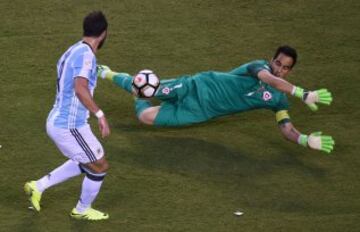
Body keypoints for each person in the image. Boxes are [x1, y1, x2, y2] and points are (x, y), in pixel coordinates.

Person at [98, 46, 335, 153]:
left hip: (200, 112)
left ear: (290, 72)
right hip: (195, 87)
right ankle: (106, 72)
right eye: (278, 63)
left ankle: (136, 94)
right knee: (148, 88)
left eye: (285, 68)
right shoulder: (258, 67)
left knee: (144, 117)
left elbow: (286, 128)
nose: (280, 69)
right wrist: (303, 93)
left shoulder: (278, 101)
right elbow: (270, 80)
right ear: (271, 60)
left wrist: (305, 140)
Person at [24, 11, 111, 220]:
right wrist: (100, 114)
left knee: (86, 160)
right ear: (103, 34)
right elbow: (80, 89)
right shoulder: (86, 54)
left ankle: (38, 186)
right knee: (99, 166)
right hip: (69, 126)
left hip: (65, 121)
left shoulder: (72, 50)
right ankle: (81, 210)